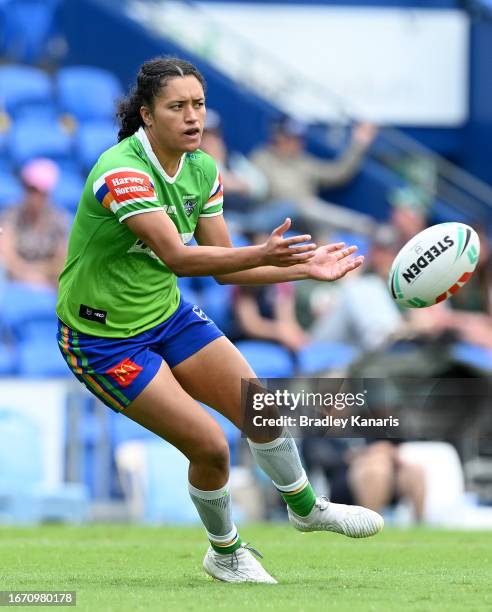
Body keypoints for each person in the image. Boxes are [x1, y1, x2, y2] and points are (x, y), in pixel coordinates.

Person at [56, 57, 383, 585]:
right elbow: (179, 259)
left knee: (259, 404)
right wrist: (268, 255)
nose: (193, 118)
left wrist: (304, 266)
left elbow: (227, 267)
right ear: (147, 115)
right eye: (177, 107)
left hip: (166, 314)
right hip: (103, 340)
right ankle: (225, 551)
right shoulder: (122, 172)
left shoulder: (202, 168)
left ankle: (305, 507)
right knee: (209, 444)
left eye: (199, 105)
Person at [248, 116, 378, 235]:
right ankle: (362, 226)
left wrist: (358, 144)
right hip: (272, 214)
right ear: (278, 137)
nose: (297, 143)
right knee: (303, 207)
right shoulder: (261, 158)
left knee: (318, 222)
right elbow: (256, 191)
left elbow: (337, 174)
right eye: (291, 138)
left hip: (306, 218)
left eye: (299, 139)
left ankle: (365, 227)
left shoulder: (303, 161)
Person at [0, 158, 68, 288]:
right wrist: (27, 275)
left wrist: (41, 274)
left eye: (40, 191)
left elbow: (62, 260)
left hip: (48, 282)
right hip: (13, 281)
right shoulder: (11, 214)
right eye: (31, 189)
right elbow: (5, 254)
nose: (34, 196)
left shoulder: (59, 218)